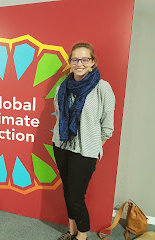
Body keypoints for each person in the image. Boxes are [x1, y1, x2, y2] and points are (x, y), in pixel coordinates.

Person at [52, 43, 115, 240]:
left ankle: (82, 235)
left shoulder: (102, 88)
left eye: (85, 59)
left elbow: (107, 125)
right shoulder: (63, 86)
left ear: (92, 62)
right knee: (67, 190)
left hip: (86, 150)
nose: (79, 64)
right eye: (75, 59)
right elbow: (58, 114)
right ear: (70, 62)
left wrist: (94, 146)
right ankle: (71, 231)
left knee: (77, 196)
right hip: (62, 146)